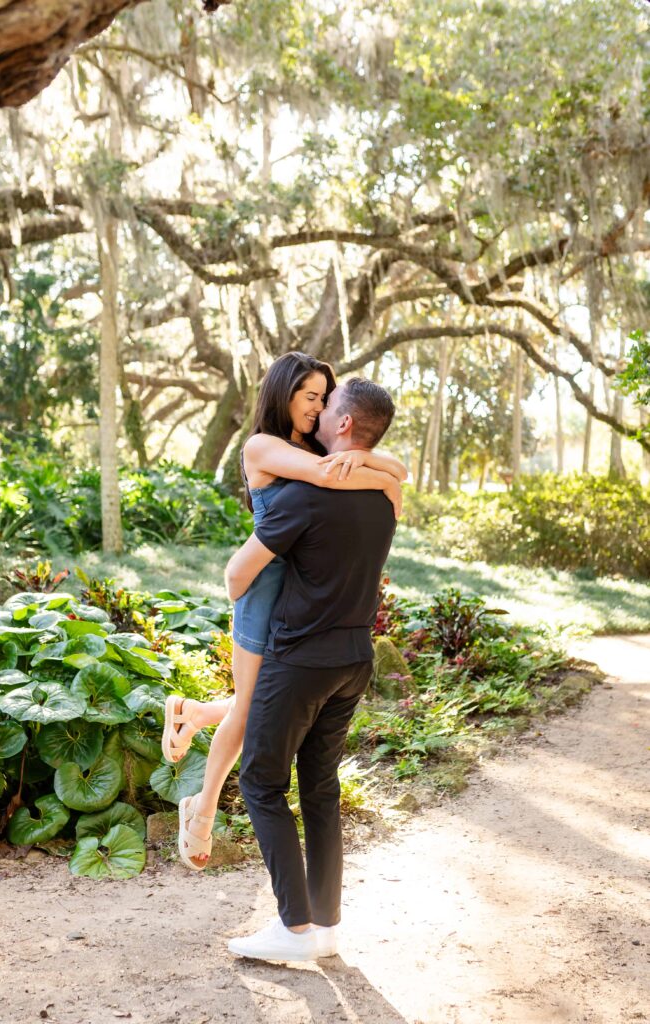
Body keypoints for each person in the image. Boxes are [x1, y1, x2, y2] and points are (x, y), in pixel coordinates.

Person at [160, 353, 405, 870]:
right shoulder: (263, 446)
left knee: (266, 704)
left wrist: (374, 464)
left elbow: (386, 469)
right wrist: (381, 476)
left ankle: (195, 713)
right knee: (252, 712)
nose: (318, 408)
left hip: (301, 594)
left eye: (323, 397)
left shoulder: (312, 444)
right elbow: (328, 477)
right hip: (262, 590)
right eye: (309, 396)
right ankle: (199, 810)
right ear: (284, 395)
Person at [225, 377, 398, 963]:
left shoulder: (304, 496)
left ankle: (292, 928)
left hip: (300, 659)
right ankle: (324, 927)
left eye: (329, 406)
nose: (319, 413)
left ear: (345, 425)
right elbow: (390, 474)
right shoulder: (386, 498)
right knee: (319, 788)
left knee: (260, 782)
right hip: (355, 659)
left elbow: (234, 576)